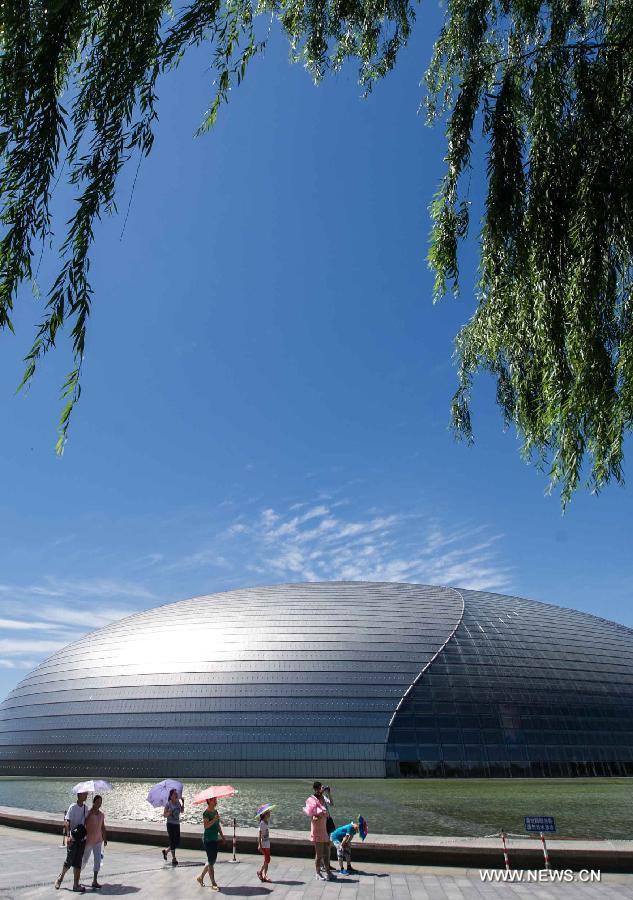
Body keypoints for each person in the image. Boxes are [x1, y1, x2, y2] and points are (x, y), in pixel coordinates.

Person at [55, 791, 90, 892]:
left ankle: (76, 885)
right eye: (85, 794)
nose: (86, 796)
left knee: (78, 862)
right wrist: (68, 836)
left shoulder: (85, 808)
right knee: (69, 861)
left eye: (87, 794)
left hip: (82, 839)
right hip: (73, 838)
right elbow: (67, 822)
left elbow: (86, 822)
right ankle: (60, 878)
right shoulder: (72, 807)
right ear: (79, 795)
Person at [304, 781, 335, 881]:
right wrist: (319, 815)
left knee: (326, 852)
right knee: (319, 854)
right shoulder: (312, 800)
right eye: (322, 788)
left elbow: (332, 804)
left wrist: (328, 793)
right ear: (316, 789)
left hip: (324, 827)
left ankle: (328, 873)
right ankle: (317, 873)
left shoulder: (323, 798)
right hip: (317, 829)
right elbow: (312, 816)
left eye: (323, 787)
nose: (323, 788)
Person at [196, 796, 225, 891]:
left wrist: (222, 836)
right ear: (209, 801)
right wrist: (215, 819)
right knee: (211, 862)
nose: (216, 801)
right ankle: (213, 882)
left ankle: (200, 877)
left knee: (211, 861)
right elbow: (206, 826)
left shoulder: (215, 812)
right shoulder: (206, 813)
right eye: (214, 799)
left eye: (215, 799)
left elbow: (218, 826)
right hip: (208, 839)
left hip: (215, 839)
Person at [82, 795, 107, 889]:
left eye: (100, 802)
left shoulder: (101, 814)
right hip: (89, 840)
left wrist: (105, 838)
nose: (99, 803)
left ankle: (95, 880)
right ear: (94, 802)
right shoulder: (88, 813)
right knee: (84, 859)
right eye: (97, 802)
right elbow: (83, 824)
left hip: (98, 840)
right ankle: (77, 876)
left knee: (98, 860)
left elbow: (103, 827)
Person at [162, 788, 184, 866]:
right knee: (172, 840)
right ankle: (174, 858)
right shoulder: (168, 804)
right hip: (170, 824)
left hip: (177, 824)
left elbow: (182, 811)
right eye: (174, 794)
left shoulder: (178, 802)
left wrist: (183, 803)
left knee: (177, 841)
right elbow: (164, 815)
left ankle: (166, 851)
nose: (176, 795)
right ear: (171, 796)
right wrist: (169, 813)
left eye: (176, 794)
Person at [256, 809, 272, 883]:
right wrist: (259, 844)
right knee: (267, 859)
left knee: (266, 860)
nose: (269, 814)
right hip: (264, 844)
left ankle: (264, 875)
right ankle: (260, 872)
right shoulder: (262, 823)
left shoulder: (266, 822)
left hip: (267, 843)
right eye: (268, 813)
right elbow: (259, 834)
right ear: (264, 814)